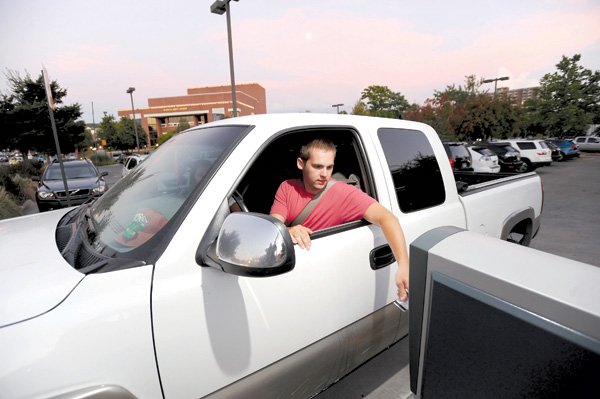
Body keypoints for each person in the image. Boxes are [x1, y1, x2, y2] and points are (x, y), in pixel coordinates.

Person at [270, 138, 410, 301]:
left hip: (327, 276)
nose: (324, 174)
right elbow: (273, 227)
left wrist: (403, 266)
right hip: (293, 272)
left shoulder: (344, 193)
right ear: (301, 164)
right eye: (317, 166)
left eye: (329, 167)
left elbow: (388, 219)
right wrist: (288, 230)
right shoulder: (287, 187)